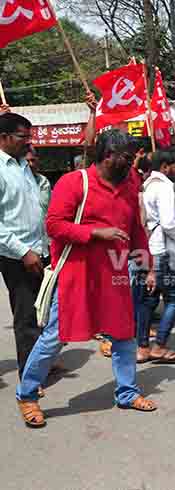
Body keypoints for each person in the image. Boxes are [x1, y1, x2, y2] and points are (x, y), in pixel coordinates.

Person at [16, 129, 158, 428]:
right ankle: (27, 395)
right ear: (109, 156)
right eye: (128, 159)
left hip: (116, 274)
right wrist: (95, 232)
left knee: (123, 335)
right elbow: (54, 225)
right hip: (76, 275)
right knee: (56, 336)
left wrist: (148, 265)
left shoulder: (129, 184)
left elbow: (135, 227)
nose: (133, 165)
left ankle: (127, 392)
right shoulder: (74, 182)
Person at [0, 113, 44, 380]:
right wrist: (23, 252)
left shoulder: (23, 166)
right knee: (26, 317)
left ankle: (40, 362)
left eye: (30, 137)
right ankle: (29, 379)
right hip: (17, 256)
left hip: (39, 251)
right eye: (22, 137)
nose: (28, 143)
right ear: (4, 138)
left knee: (43, 313)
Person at [138, 150, 175, 364]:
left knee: (148, 300)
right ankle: (159, 345)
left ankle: (142, 348)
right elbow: (168, 223)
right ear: (166, 166)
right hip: (164, 250)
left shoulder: (146, 185)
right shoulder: (165, 186)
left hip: (147, 249)